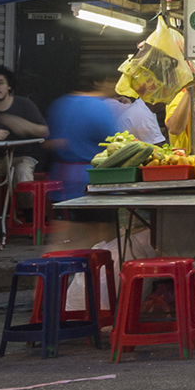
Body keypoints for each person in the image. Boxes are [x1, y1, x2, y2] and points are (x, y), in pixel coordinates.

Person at [45, 65, 128, 253]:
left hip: (63, 179)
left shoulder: (62, 103)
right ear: (99, 81)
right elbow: (115, 143)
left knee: (65, 235)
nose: (114, 87)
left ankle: (46, 278)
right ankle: (97, 278)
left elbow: (53, 140)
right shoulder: (99, 107)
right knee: (100, 238)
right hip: (92, 181)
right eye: (112, 81)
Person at [0, 65, 47, 186]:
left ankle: (26, 206)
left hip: (21, 158)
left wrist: (22, 124)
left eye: (0, 83)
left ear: (9, 86)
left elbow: (44, 131)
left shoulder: (25, 104)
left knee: (23, 173)